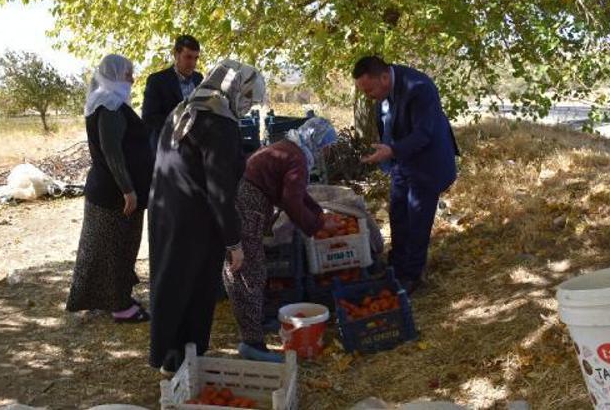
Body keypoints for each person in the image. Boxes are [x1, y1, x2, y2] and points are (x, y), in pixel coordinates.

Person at [148, 59, 266, 375]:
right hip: (196, 219)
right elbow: (220, 191)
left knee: (172, 281)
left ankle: (172, 357)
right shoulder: (219, 123)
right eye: (247, 96)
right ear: (234, 88)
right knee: (194, 288)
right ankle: (183, 359)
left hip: (165, 211)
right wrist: (234, 241)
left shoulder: (184, 110)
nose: (247, 105)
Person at [224, 117, 339, 362]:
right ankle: (251, 343)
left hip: (246, 200)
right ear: (316, 140)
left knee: (252, 268)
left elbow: (296, 193)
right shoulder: (297, 158)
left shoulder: (291, 149)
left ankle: (254, 323)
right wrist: (317, 225)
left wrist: (317, 214)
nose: (326, 151)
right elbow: (291, 201)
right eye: (326, 145)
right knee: (247, 271)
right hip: (249, 205)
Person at [352, 55, 459, 294]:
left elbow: (424, 134)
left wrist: (392, 150)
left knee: (417, 219)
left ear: (383, 76)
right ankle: (397, 265)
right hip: (402, 161)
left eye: (369, 90)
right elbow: (388, 124)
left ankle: (412, 276)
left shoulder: (419, 88)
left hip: (428, 163)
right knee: (398, 213)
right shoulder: (382, 89)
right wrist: (389, 152)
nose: (368, 96)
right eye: (364, 91)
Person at [66, 54, 154, 323]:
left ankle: (114, 297)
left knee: (108, 249)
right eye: (128, 74)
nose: (132, 78)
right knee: (116, 250)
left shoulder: (108, 103)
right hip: (114, 195)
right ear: (115, 75)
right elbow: (112, 152)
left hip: (110, 192)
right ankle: (119, 306)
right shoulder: (110, 107)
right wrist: (128, 189)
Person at [142, 35, 203, 151]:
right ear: (176, 55)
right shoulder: (157, 80)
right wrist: (180, 124)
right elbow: (149, 117)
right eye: (188, 57)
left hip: (195, 150)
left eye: (196, 58)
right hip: (168, 150)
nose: (193, 63)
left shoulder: (198, 78)